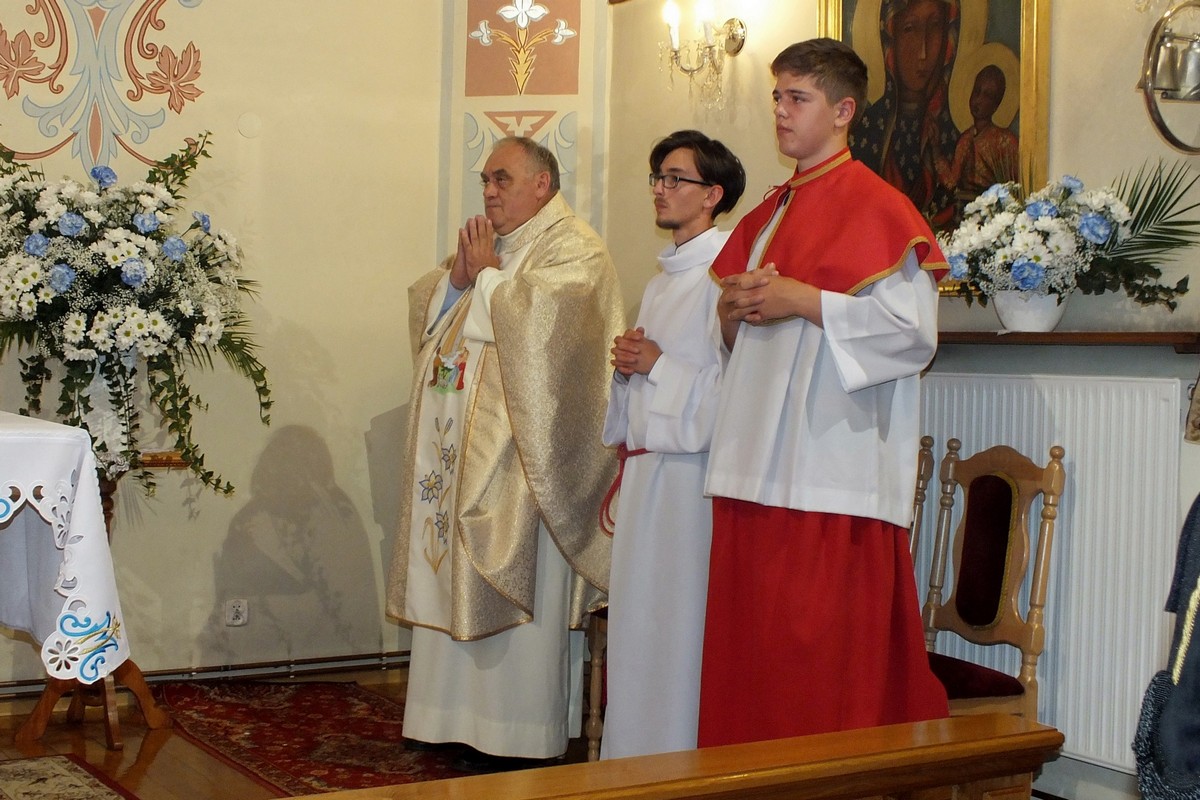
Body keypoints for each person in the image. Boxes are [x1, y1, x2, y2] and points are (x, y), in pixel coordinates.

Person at [699, 38, 950, 748]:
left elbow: (913, 337)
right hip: (752, 466)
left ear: (843, 112)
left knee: (813, 667)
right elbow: (736, 345)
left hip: (829, 467)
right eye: (777, 96)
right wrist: (731, 313)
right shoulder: (769, 213)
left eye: (797, 98)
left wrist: (804, 300)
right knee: (752, 661)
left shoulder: (881, 208)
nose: (780, 110)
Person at [385, 136, 625, 770]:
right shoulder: (493, 248)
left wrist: (486, 277)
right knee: (447, 577)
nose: (489, 191)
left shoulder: (576, 249)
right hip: (458, 458)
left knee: (520, 597)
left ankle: (517, 732)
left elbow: (547, 340)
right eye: (486, 180)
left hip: (525, 470)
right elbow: (430, 313)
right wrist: (458, 279)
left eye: (502, 179)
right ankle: (442, 719)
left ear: (542, 184)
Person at [600, 130, 745, 760]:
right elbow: (651, 375)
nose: (661, 189)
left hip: (691, 484)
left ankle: (678, 761)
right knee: (640, 627)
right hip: (649, 480)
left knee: (678, 630)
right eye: (658, 177)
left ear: (713, 195)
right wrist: (629, 368)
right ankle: (632, 761)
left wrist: (656, 365)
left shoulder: (724, 280)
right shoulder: (662, 284)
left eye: (676, 178)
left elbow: (735, 392)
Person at [851, 0, 960, 229]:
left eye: (935, 27)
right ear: (890, 39)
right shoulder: (864, 133)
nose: (923, 52)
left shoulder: (954, 139)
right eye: (910, 29)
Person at [936, 64, 1019, 224]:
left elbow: (1014, 189)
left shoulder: (1005, 141)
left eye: (987, 95)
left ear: (996, 104)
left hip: (994, 218)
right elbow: (952, 182)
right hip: (965, 213)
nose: (978, 100)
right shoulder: (966, 139)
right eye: (977, 91)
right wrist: (935, 151)